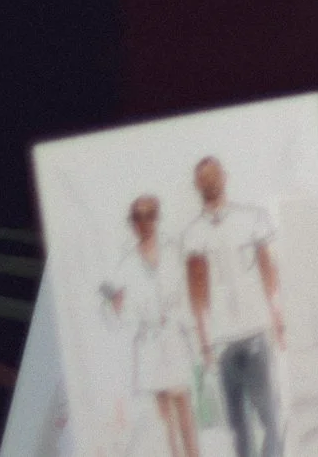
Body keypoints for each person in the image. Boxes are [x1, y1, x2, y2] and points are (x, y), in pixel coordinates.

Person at [182, 156, 283, 457]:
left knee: (270, 418)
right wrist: (204, 342)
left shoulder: (253, 218)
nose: (210, 181)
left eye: (215, 175)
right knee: (239, 429)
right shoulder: (193, 235)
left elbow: (269, 273)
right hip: (223, 341)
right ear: (197, 185)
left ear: (225, 177)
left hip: (255, 333)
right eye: (204, 178)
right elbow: (197, 292)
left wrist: (278, 322)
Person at [100, 195, 197, 457]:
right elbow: (114, 315)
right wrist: (116, 306)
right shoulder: (125, 263)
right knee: (164, 412)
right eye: (137, 217)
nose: (143, 222)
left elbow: (188, 291)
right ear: (131, 222)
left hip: (174, 336)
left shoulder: (173, 249)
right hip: (149, 342)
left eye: (149, 215)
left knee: (184, 404)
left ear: (157, 217)